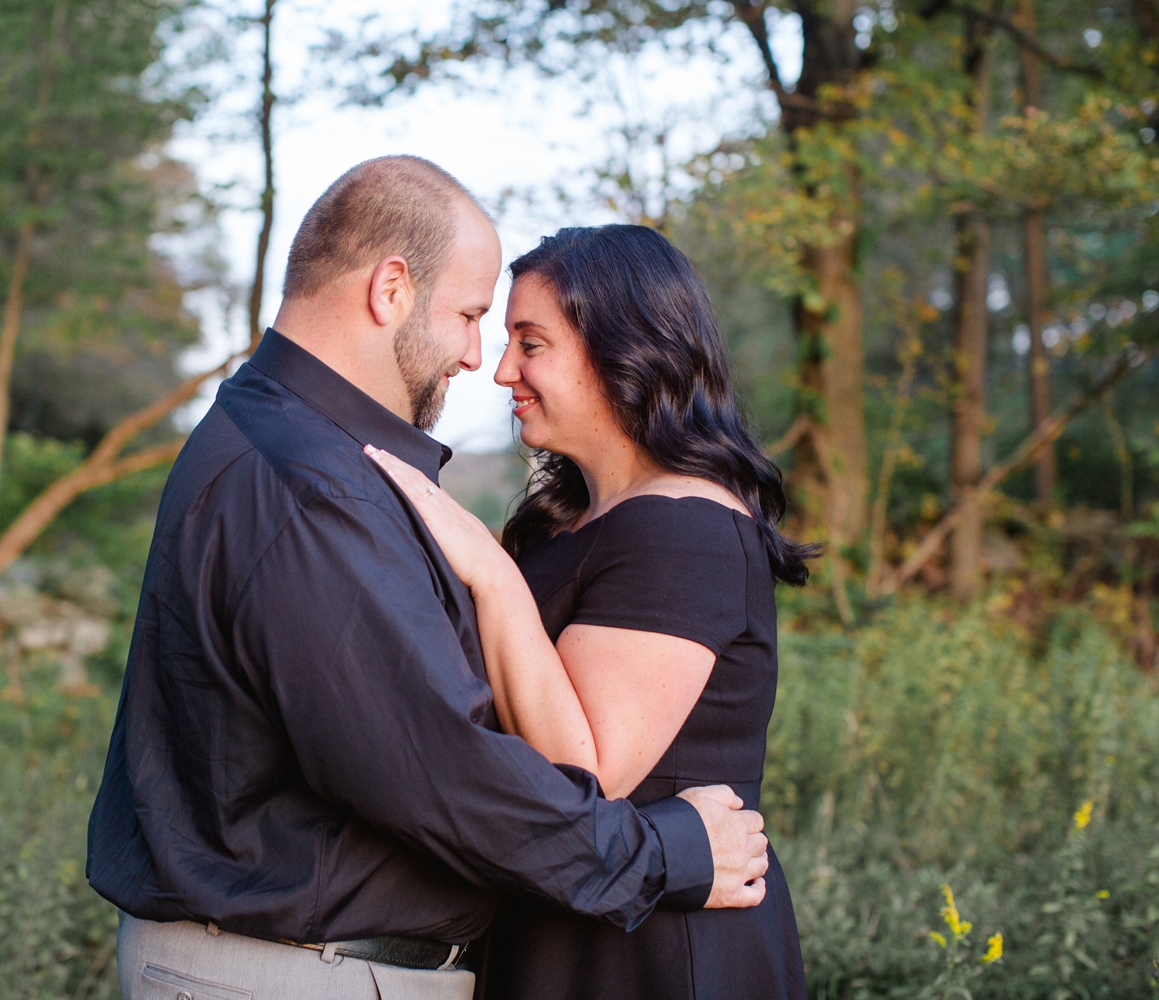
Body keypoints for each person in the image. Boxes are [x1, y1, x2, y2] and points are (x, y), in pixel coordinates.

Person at [85, 158, 772, 1000]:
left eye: (524, 338)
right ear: (391, 291)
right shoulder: (310, 483)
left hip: (506, 960)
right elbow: (436, 767)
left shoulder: (298, 453)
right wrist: (667, 854)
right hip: (297, 973)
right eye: (475, 318)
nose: (483, 360)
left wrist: (492, 572)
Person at [367, 224, 812, 998]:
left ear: (625, 348)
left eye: (530, 343)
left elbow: (587, 774)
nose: (503, 370)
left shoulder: (686, 529)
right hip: (556, 926)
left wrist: (490, 576)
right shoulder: (557, 526)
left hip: (655, 956)